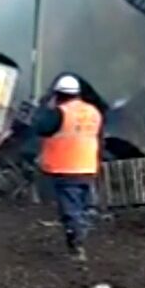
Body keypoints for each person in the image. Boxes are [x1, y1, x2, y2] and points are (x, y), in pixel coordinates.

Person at [33, 75, 102, 261]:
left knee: (70, 209)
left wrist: (44, 109)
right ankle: (83, 227)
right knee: (83, 203)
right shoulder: (93, 111)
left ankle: (77, 245)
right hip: (87, 166)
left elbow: (41, 128)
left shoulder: (59, 113)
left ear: (58, 95)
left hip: (65, 167)